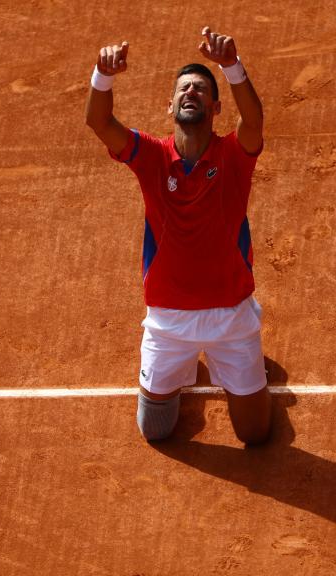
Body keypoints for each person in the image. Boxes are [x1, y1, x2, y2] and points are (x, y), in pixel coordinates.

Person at [85, 27, 270, 445]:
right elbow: (98, 121)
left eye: (202, 89)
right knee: (156, 431)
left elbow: (255, 120)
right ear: (170, 106)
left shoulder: (234, 157)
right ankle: (194, 374)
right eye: (184, 87)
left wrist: (231, 66)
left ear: (216, 106)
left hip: (231, 317)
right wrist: (102, 75)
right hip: (168, 321)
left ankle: (239, 369)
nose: (191, 91)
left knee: (256, 435)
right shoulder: (150, 155)